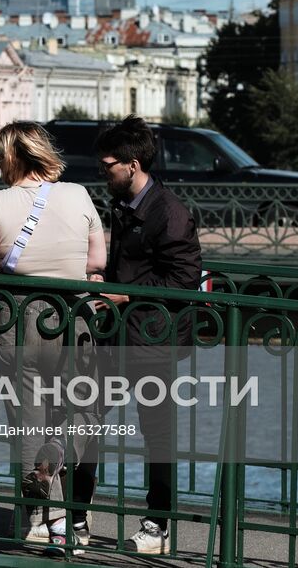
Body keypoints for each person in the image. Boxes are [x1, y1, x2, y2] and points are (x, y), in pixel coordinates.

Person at [0, 121, 107, 548]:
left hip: (17, 320)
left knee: (27, 421)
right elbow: (96, 261)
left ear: (10, 158)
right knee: (80, 411)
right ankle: (59, 464)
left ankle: (46, 522)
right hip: (73, 318)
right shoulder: (78, 194)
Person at [92, 115, 202, 555]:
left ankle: (158, 525)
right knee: (86, 418)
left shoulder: (170, 213)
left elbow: (184, 280)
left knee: (157, 435)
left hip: (155, 340)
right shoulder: (126, 203)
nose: (103, 172)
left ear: (132, 165)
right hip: (122, 334)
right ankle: (76, 516)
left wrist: (125, 294)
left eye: (108, 165)